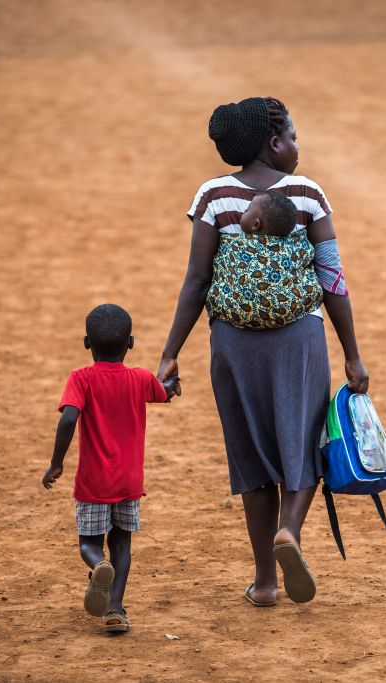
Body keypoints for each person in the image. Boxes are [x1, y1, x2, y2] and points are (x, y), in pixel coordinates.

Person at [158, 96, 368, 607]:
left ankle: (265, 583)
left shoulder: (213, 196)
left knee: (252, 457)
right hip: (299, 338)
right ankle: (290, 532)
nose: (297, 145)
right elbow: (332, 279)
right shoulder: (308, 193)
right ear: (274, 143)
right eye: (293, 136)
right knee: (306, 444)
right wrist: (353, 354)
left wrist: (169, 354)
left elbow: (197, 280)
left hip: (233, 343)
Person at [42, 303, 178, 632]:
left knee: (90, 542)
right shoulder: (140, 378)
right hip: (128, 481)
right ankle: (115, 609)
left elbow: (69, 419)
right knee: (122, 544)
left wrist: (56, 463)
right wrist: (172, 384)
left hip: (93, 483)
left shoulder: (81, 379)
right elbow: (165, 392)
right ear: (130, 343)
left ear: (87, 343)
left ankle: (98, 564)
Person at [206, 189, 324, 330]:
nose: (243, 211)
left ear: (255, 225)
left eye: (247, 209)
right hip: (291, 315)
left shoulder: (231, 243)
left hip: (234, 318)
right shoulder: (295, 243)